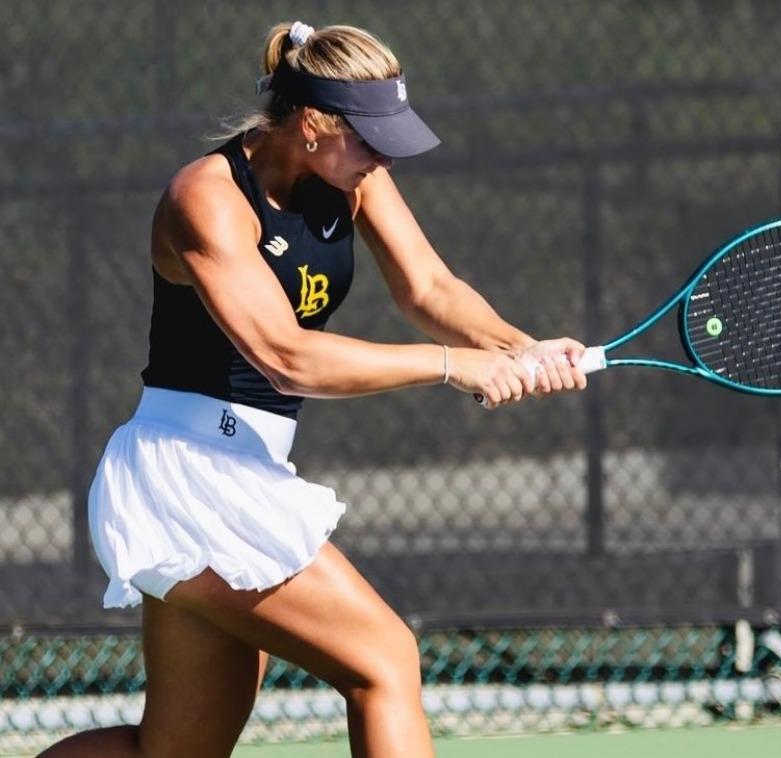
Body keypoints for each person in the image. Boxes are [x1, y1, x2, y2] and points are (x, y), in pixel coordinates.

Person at [38, 20, 587, 758]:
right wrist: (456, 366)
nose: (383, 154)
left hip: (242, 471)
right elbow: (286, 358)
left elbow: (429, 287)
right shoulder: (205, 198)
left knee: (172, 752)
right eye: (369, 137)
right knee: (384, 662)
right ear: (310, 122)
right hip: (184, 474)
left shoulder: (353, 176)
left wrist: (518, 347)